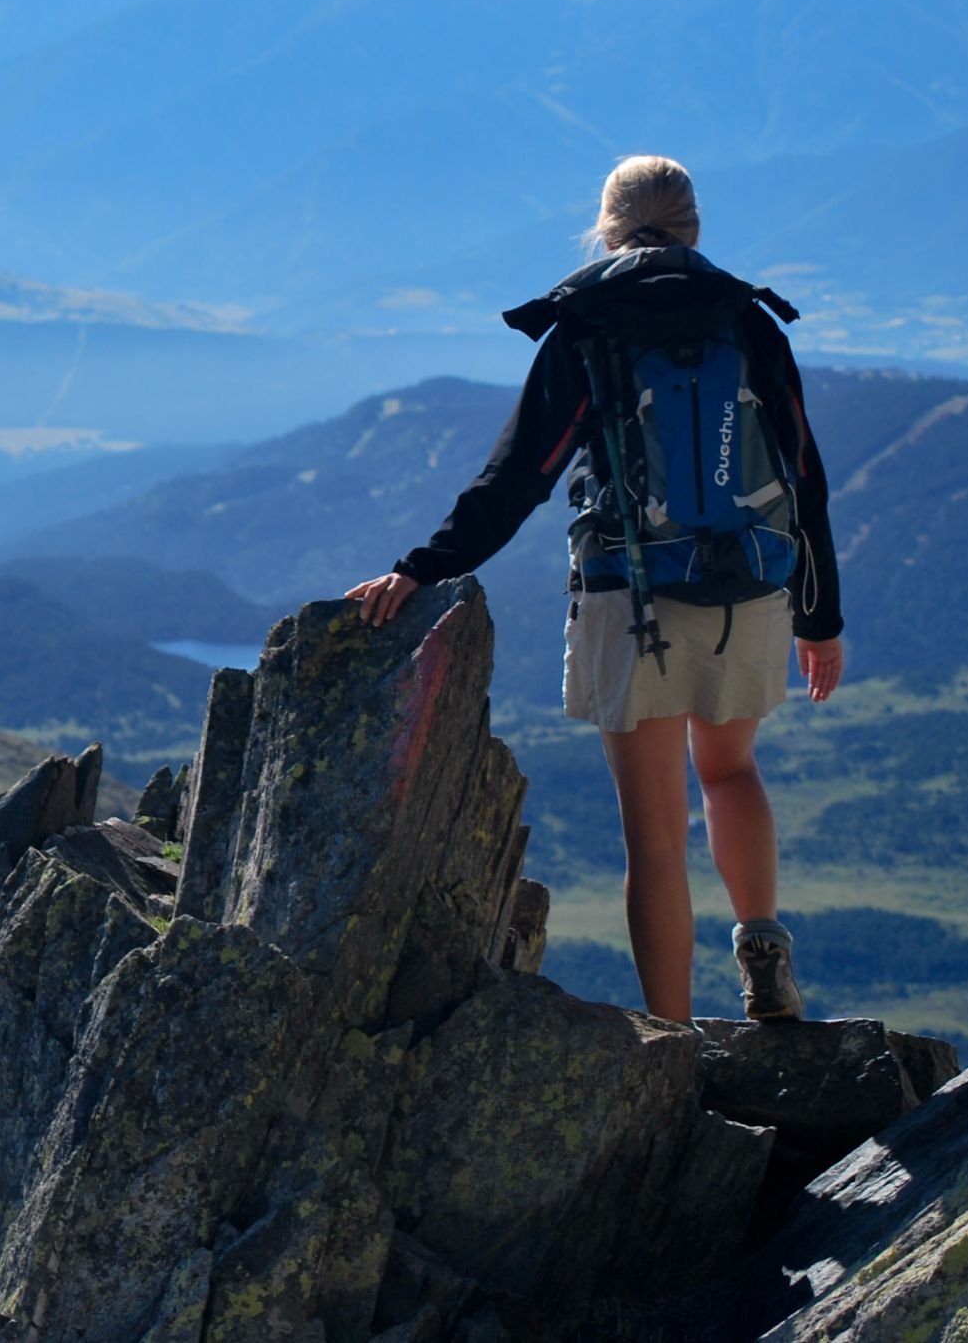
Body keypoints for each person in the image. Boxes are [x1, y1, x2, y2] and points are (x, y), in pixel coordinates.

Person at [344, 155, 846, 1024]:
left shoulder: (587, 326)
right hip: (748, 589)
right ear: (693, 227)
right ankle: (763, 955)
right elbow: (804, 476)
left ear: (606, 227)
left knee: (653, 839)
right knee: (730, 773)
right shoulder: (748, 320)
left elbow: (518, 477)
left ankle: (675, 1037)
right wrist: (821, 617)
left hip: (631, 596)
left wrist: (422, 566)